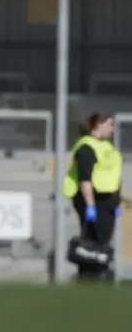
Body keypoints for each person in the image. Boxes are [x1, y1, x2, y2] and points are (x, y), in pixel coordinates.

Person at [62, 112, 123, 281]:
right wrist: (90, 206)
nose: (112, 129)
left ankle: (97, 273)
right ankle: (88, 275)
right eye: (109, 125)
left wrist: (116, 202)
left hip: (108, 201)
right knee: (92, 243)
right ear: (98, 125)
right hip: (94, 201)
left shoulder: (107, 147)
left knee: (102, 241)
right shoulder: (86, 147)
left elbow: (112, 175)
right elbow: (85, 179)